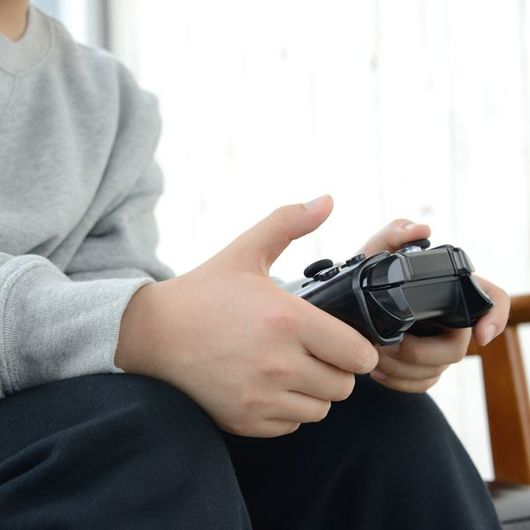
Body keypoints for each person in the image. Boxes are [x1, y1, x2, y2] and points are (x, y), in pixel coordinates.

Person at [0, 2, 510, 529]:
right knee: (143, 439)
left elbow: (104, 290)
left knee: (369, 416)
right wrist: (140, 323)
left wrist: (318, 315)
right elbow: (124, 326)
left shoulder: (107, 94)